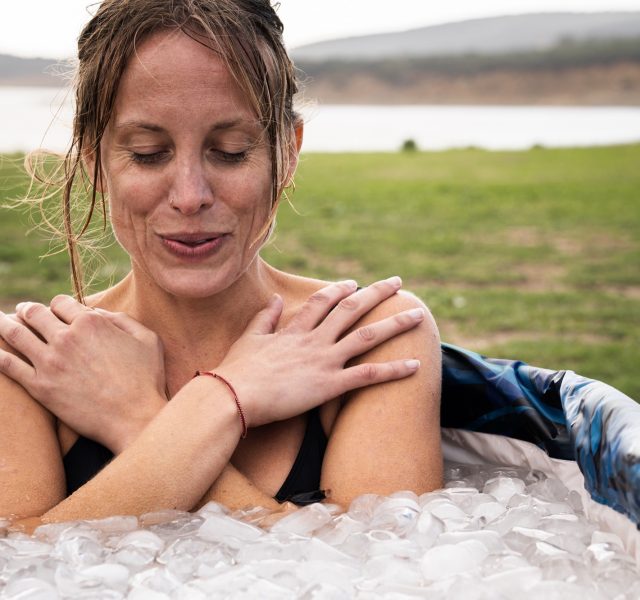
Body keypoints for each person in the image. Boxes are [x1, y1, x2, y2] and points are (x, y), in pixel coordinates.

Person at [0, 0, 442, 528]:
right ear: (95, 160)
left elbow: (383, 575)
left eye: (231, 151)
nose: (190, 196)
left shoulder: (369, 337)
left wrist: (138, 415)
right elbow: (21, 575)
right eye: (147, 152)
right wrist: (230, 399)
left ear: (288, 151)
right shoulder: (31, 361)